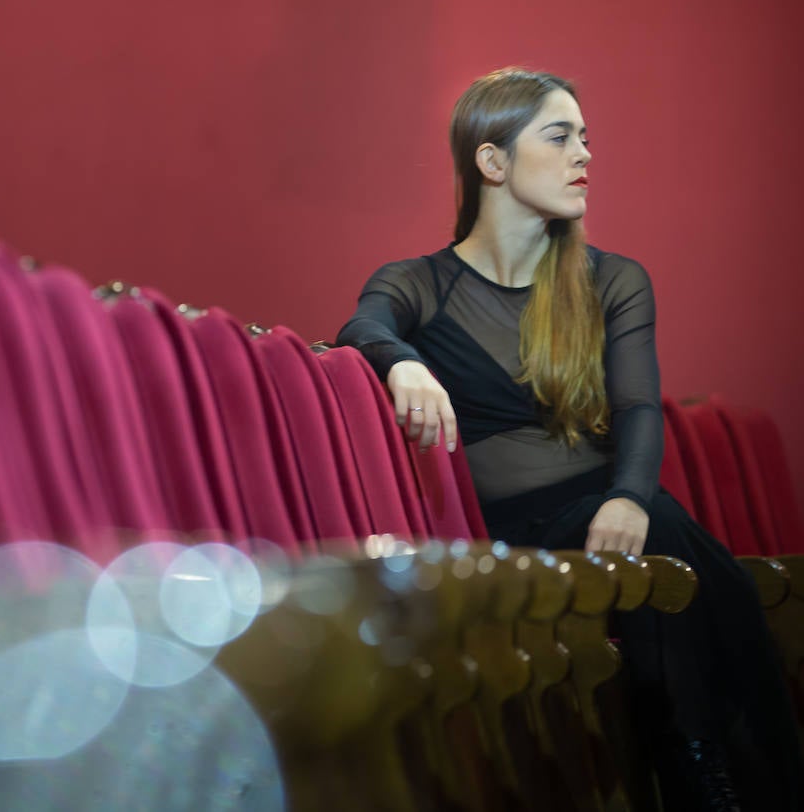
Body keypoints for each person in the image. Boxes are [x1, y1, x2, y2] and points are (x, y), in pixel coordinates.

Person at [336, 67, 802, 811]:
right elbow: (363, 326)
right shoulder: (421, 283)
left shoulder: (611, 281)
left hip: (612, 511)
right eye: (560, 136)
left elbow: (639, 409)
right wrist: (407, 362)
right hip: (511, 540)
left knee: (666, 547)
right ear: (492, 162)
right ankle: (707, 782)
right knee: (683, 569)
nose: (585, 154)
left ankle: (704, 779)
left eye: (587, 137)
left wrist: (627, 498)